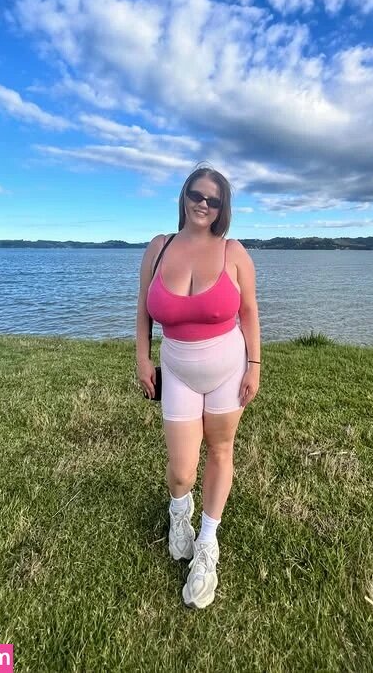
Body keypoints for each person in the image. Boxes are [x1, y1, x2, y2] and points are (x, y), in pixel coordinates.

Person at [135, 165, 261, 609]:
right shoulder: (158, 247)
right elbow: (143, 310)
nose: (203, 204)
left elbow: (249, 312)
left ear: (222, 208)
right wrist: (142, 357)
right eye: (196, 194)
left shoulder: (233, 251)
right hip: (177, 370)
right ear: (184, 195)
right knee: (181, 470)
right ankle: (179, 514)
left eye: (213, 199)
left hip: (228, 369)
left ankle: (207, 544)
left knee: (221, 451)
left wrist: (254, 366)